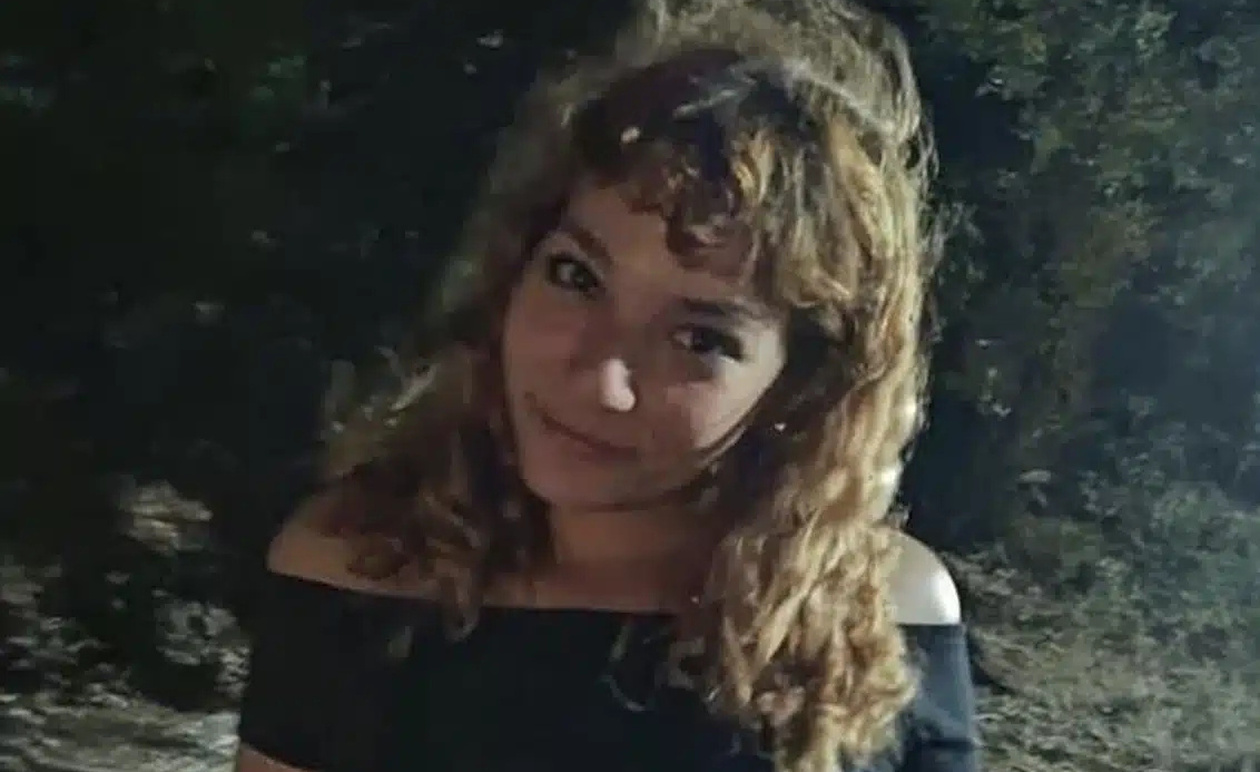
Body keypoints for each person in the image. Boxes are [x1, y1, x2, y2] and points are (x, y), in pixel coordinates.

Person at [233, 0, 980, 769]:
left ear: (803, 385)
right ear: (510, 271)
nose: (601, 378)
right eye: (577, 276)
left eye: (701, 339)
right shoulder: (357, 575)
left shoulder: (883, 622)